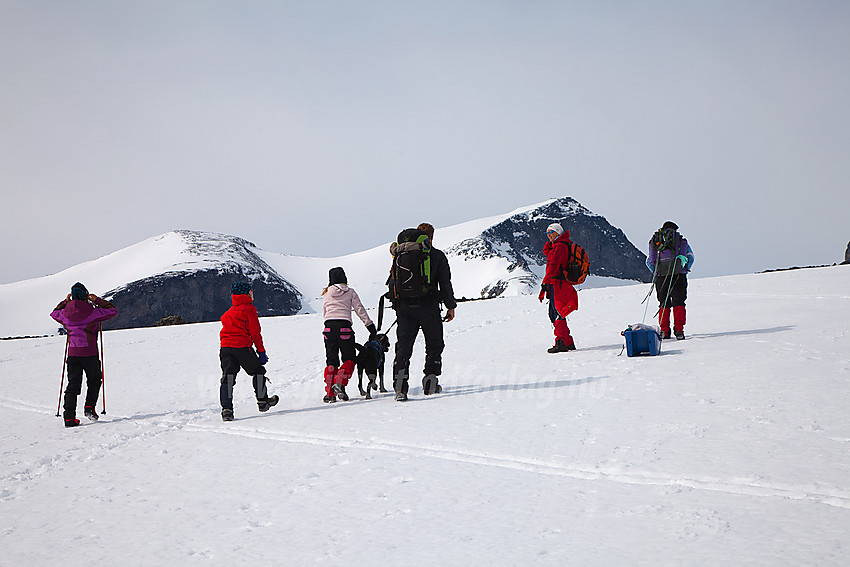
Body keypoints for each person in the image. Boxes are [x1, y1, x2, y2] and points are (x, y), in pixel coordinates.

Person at [389, 223, 457, 401]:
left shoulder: (402, 253)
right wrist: (450, 305)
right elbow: (445, 282)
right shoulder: (436, 255)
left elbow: (392, 280)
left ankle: (400, 388)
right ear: (431, 237)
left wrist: (398, 304)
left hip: (404, 308)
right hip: (428, 306)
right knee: (434, 344)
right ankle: (430, 382)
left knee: (403, 347)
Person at [50, 282, 118, 427]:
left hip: (73, 354)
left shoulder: (64, 313)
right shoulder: (93, 312)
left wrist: (65, 302)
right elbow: (112, 310)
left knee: (73, 385)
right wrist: (96, 300)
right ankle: (89, 408)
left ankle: (69, 418)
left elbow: (53, 313)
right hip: (90, 353)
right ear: (85, 295)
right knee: (94, 380)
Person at [219, 281, 278, 421]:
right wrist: (261, 352)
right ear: (247, 293)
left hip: (225, 348)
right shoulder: (249, 309)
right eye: (251, 292)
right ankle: (263, 402)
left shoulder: (228, 313)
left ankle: (227, 410)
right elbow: (255, 333)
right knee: (258, 372)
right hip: (242, 348)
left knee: (228, 378)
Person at [321, 267, 377, 403]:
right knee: (349, 359)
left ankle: (330, 394)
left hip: (328, 328)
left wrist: (328, 326)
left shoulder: (327, 293)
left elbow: (324, 311)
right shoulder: (350, 292)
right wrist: (369, 325)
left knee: (331, 361)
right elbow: (359, 309)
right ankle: (339, 383)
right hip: (344, 328)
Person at [646, 221, 694, 340]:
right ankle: (679, 330)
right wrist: (684, 269)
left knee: (663, 303)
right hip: (679, 275)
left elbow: (650, 261)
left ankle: (664, 331)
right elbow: (691, 258)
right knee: (679, 302)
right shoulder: (680, 241)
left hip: (661, 276)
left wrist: (657, 272)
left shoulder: (656, 240)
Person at [539, 223, 580, 353]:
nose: (548, 235)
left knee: (556, 312)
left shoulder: (559, 247)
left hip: (558, 284)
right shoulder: (560, 246)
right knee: (558, 311)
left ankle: (561, 342)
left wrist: (545, 282)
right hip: (559, 283)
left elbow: (553, 266)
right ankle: (567, 342)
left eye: (550, 232)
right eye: (547, 233)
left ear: (557, 232)